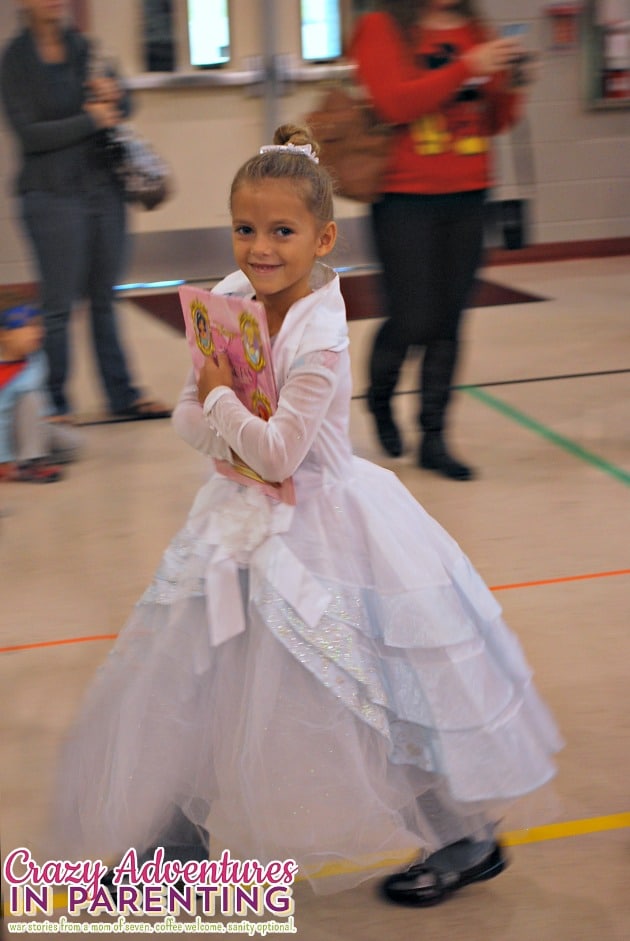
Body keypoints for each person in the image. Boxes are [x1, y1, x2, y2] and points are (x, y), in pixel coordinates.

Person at [54, 124, 561, 906]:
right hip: (236, 525)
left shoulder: (321, 333)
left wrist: (223, 403)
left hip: (326, 530)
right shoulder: (226, 300)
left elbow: (283, 452)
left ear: (323, 237)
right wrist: (221, 419)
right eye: (245, 228)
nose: (260, 248)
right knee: (199, 673)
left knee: (378, 695)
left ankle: (464, 834)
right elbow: (188, 420)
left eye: (282, 231)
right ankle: (180, 845)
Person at [351, 0, 531, 479]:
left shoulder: (474, 27)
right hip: (405, 197)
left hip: (470, 195)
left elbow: (495, 120)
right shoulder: (381, 26)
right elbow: (394, 103)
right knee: (412, 319)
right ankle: (380, 396)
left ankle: (434, 436)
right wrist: (467, 66)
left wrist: (511, 82)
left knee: (449, 322)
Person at [0, 0, 170, 422]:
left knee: (105, 299)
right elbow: (30, 134)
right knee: (58, 306)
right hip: (51, 195)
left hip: (103, 190)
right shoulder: (15, 60)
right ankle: (53, 401)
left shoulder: (83, 47)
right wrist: (91, 118)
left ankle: (122, 395)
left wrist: (118, 97)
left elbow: (122, 107)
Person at [0, 295, 80, 483]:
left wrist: (49, 414)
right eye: (26, 326)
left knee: (75, 445)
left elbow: (41, 390)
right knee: (29, 398)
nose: (37, 332)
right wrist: (2, 459)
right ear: (4, 334)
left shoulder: (36, 359)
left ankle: (26, 456)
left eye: (37, 325)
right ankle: (30, 463)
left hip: (22, 428)